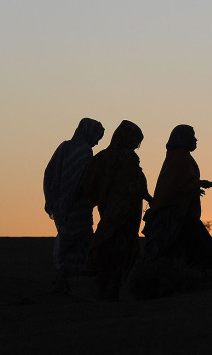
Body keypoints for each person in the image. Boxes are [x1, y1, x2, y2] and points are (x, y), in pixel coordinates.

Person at [79, 120, 152, 301]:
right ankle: (113, 291)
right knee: (125, 251)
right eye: (135, 138)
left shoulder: (102, 157)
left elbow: (89, 185)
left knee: (109, 250)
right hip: (125, 213)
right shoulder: (128, 158)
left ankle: (104, 290)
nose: (137, 143)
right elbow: (136, 184)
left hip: (109, 211)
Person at [43, 117, 105, 294]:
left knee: (69, 238)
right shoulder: (84, 152)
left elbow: (50, 172)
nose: (97, 142)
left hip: (62, 203)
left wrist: (53, 197)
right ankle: (66, 277)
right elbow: (82, 180)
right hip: (76, 205)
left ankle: (65, 277)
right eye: (97, 137)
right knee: (77, 239)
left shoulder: (64, 147)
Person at [142, 125, 212, 270]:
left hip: (179, 213)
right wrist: (200, 183)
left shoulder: (178, 156)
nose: (195, 140)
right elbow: (180, 183)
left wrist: (195, 187)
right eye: (192, 136)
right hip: (175, 215)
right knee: (200, 246)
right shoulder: (180, 157)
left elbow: (180, 183)